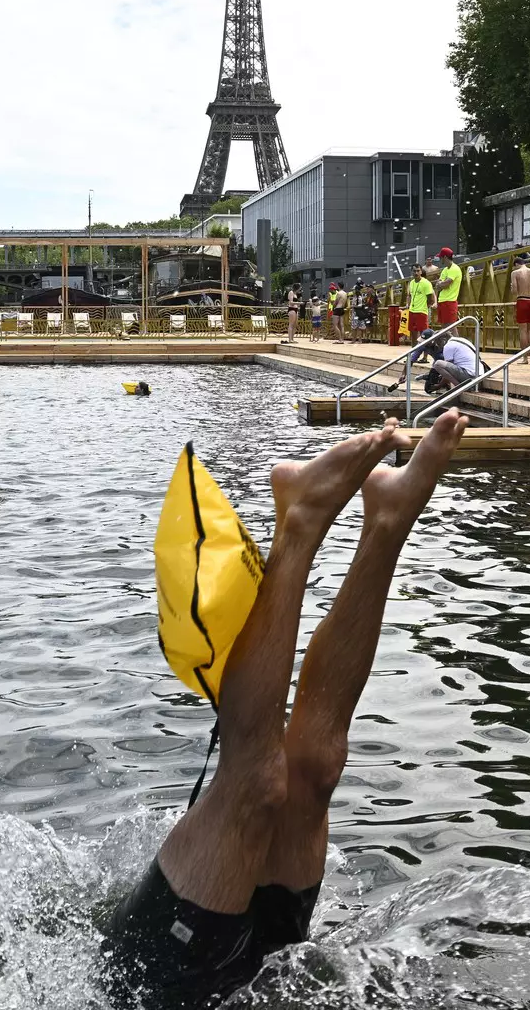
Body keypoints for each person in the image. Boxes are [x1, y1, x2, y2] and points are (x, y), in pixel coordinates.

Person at [99, 415, 464, 1008]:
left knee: (255, 782)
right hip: (251, 977)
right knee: (313, 770)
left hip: (147, 989)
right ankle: (388, 519)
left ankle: (297, 522)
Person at [415, 329, 483, 394]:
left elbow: (448, 371)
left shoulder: (448, 346)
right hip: (479, 374)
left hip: (469, 375)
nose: (437, 345)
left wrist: (439, 385)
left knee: (438, 364)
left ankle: (459, 386)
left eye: (438, 342)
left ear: (443, 340)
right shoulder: (462, 340)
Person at [508, 252, 530, 356]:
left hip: (522, 300)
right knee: (529, 329)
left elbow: (514, 291)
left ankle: (524, 357)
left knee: (522, 330)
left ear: (516, 264)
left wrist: (512, 288)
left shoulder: (515, 273)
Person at [434, 248, 463, 329]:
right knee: (444, 327)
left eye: (441, 257)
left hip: (450, 301)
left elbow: (446, 284)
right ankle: (448, 342)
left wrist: (441, 284)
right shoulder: (445, 270)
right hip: (442, 301)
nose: (440, 259)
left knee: (451, 327)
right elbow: (438, 285)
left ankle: (457, 341)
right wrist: (441, 284)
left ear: (445, 257)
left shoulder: (454, 268)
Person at [404, 267, 434, 339]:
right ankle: (414, 349)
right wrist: (408, 304)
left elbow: (431, 298)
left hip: (421, 311)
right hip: (412, 311)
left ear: (421, 272)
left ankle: (425, 350)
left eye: (418, 271)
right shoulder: (411, 283)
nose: (416, 273)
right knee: (413, 334)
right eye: (414, 271)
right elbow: (410, 295)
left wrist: (425, 306)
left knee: (423, 334)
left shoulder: (426, 283)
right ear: (412, 272)